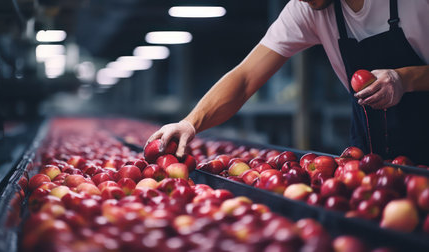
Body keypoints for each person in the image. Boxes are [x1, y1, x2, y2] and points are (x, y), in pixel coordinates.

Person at [146, 0, 429, 165]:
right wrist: (191, 122)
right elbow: (245, 78)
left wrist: (405, 78)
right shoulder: (307, 8)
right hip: (373, 153)